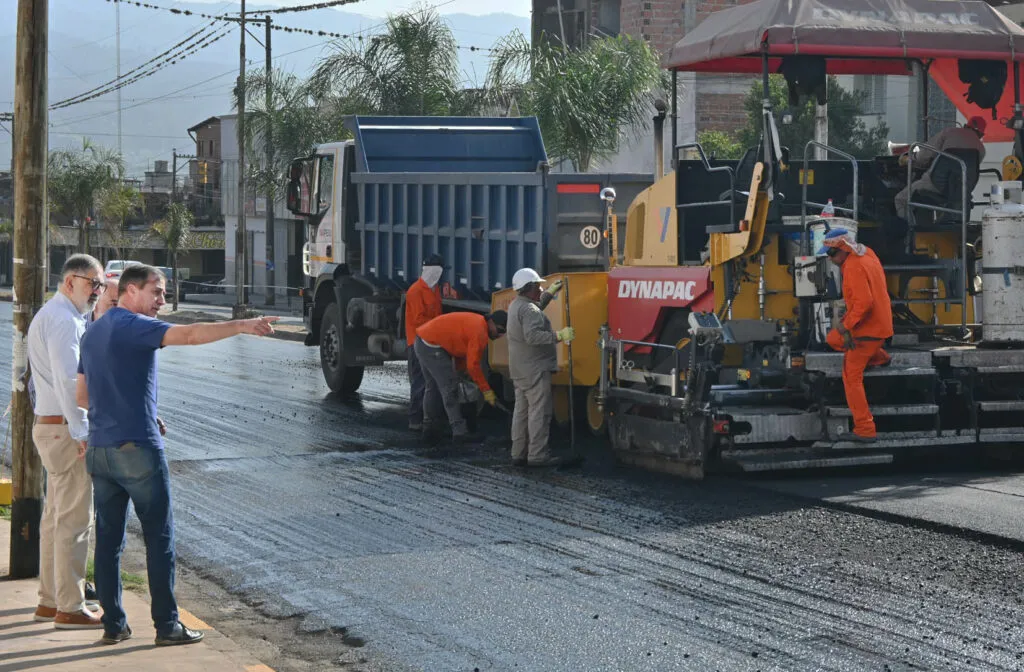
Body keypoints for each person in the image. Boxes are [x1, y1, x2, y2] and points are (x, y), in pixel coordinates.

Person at [76, 264, 279, 646]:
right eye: (157, 291)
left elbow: (83, 397)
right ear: (130, 291)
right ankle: (167, 625)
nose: (162, 300)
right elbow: (188, 334)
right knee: (159, 538)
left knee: (108, 541)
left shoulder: (93, 331)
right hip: (137, 449)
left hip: (101, 449)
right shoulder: (133, 325)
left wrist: (138, 409)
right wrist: (240, 325)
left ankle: (114, 624)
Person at [27, 254, 106, 629]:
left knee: (56, 518)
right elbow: (68, 382)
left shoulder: (57, 315)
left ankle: (49, 600)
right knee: (75, 521)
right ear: (71, 280)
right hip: (63, 427)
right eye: (94, 283)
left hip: (51, 425)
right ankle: (70, 607)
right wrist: (82, 431)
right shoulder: (63, 321)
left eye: (100, 285)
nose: (98, 292)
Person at [820, 229, 894, 443]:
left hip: (867, 332)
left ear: (841, 249)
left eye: (831, 254)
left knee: (851, 377)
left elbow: (863, 303)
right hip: (880, 328)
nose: (830, 259)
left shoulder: (852, 266)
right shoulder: (867, 254)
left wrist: (845, 327)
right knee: (833, 340)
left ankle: (865, 428)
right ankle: (880, 357)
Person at [506, 268, 580, 468]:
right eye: (538, 286)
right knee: (539, 412)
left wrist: (548, 295)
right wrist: (559, 335)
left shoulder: (517, 305)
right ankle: (537, 455)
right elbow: (533, 335)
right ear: (528, 288)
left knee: (521, 413)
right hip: (535, 369)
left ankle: (518, 454)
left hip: (520, 369)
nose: (540, 288)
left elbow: (534, 309)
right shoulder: (529, 310)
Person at [414, 311, 507, 445]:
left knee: (433, 387)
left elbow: (460, 349)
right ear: (491, 322)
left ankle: (430, 429)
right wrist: (486, 391)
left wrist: (460, 371)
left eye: (502, 334)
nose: (499, 335)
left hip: (424, 340)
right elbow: (473, 366)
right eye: (499, 330)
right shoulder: (480, 332)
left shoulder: (478, 323)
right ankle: (459, 433)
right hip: (431, 346)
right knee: (449, 388)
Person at [894, 116, 987, 218]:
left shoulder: (949, 132)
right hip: (961, 190)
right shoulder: (981, 149)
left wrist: (909, 159)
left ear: (965, 126)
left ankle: (911, 232)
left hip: (936, 184)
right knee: (947, 202)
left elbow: (923, 156)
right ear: (981, 134)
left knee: (901, 199)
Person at [404, 254, 445, 431]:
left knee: (430, 382)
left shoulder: (434, 290)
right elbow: (419, 319)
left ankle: (428, 417)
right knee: (420, 381)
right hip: (417, 342)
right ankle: (415, 419)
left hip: (431, 341)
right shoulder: (415, 291)